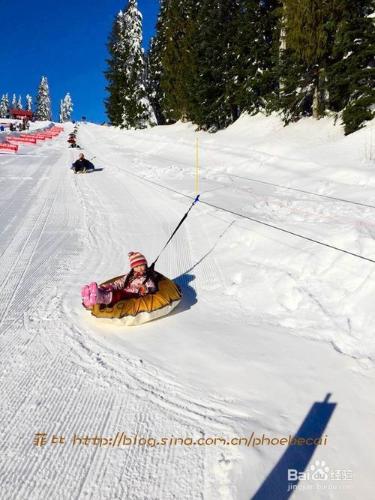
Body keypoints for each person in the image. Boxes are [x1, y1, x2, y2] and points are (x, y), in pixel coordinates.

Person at [81, 252, 157, 308]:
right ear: (133, 267)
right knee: (111, 287)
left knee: (118, 295)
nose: (139, 268)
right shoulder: (130, 274)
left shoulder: (147, 278)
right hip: (125, 290)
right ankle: (91, 296)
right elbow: (121, 282)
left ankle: (100, 297)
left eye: (142, 265)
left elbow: (153, 288)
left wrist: (145, 289)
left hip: (133, 294)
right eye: (136, 266)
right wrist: (110, 286)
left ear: (145, 265)